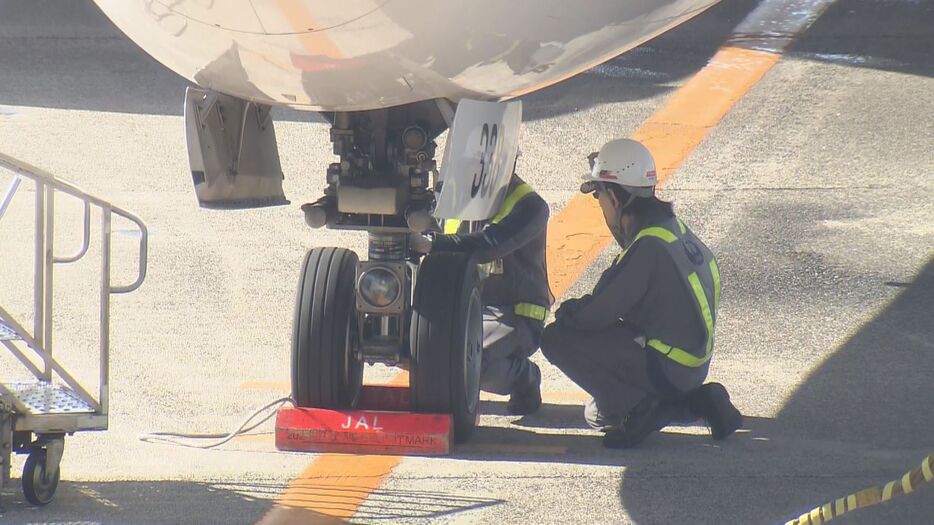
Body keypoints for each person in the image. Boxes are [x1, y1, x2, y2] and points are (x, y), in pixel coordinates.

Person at [540, 138, 742, 448]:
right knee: (597, 411)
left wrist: (569, 313)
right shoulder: (673, 230)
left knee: (556, 340)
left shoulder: (647, 247)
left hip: (666, 367)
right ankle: (697, 402)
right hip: (691, 366)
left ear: (616, 199)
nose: (600, 205)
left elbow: (597, 315)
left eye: (599, 196)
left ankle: (649, 410)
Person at [412, 166, 552, 415]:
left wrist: (434, 244)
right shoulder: (453, 196)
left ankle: (525, 377)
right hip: (466, 308)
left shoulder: (530, 206)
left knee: (472, 358)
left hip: (513, 315)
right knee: (416, 346)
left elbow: (489, 245)